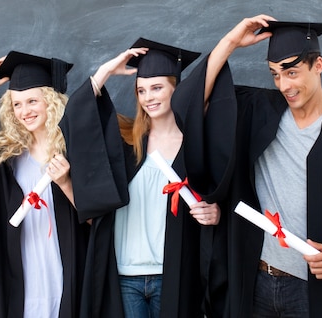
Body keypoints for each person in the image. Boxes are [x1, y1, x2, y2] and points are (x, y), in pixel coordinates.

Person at [201, 15, 322, 317]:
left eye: (292, 72)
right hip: (256, 283)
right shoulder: (257, 111)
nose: (283, 85)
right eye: (275, 74)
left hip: (311, 291)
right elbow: (196, 102)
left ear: (318, 65)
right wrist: (231, 42)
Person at [60, 38, 222, 318]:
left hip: (174, 274)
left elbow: (219, 197)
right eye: (141, 90)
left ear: (176, 88)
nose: (149, 97)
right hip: (126, 277)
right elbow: (77, 118)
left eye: (157, 87)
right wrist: (105, 71)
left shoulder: (196, 145)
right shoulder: (125, 142)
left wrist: (214, 211)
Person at [0, 51, 89, 318]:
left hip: (63, 261)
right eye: (16, 104)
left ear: (51, 101)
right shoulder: (7, 154)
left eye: (32, 101)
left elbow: (95, 220)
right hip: (20, 263)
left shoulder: (74, 149)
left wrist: (66, 182)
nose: (24, 111)